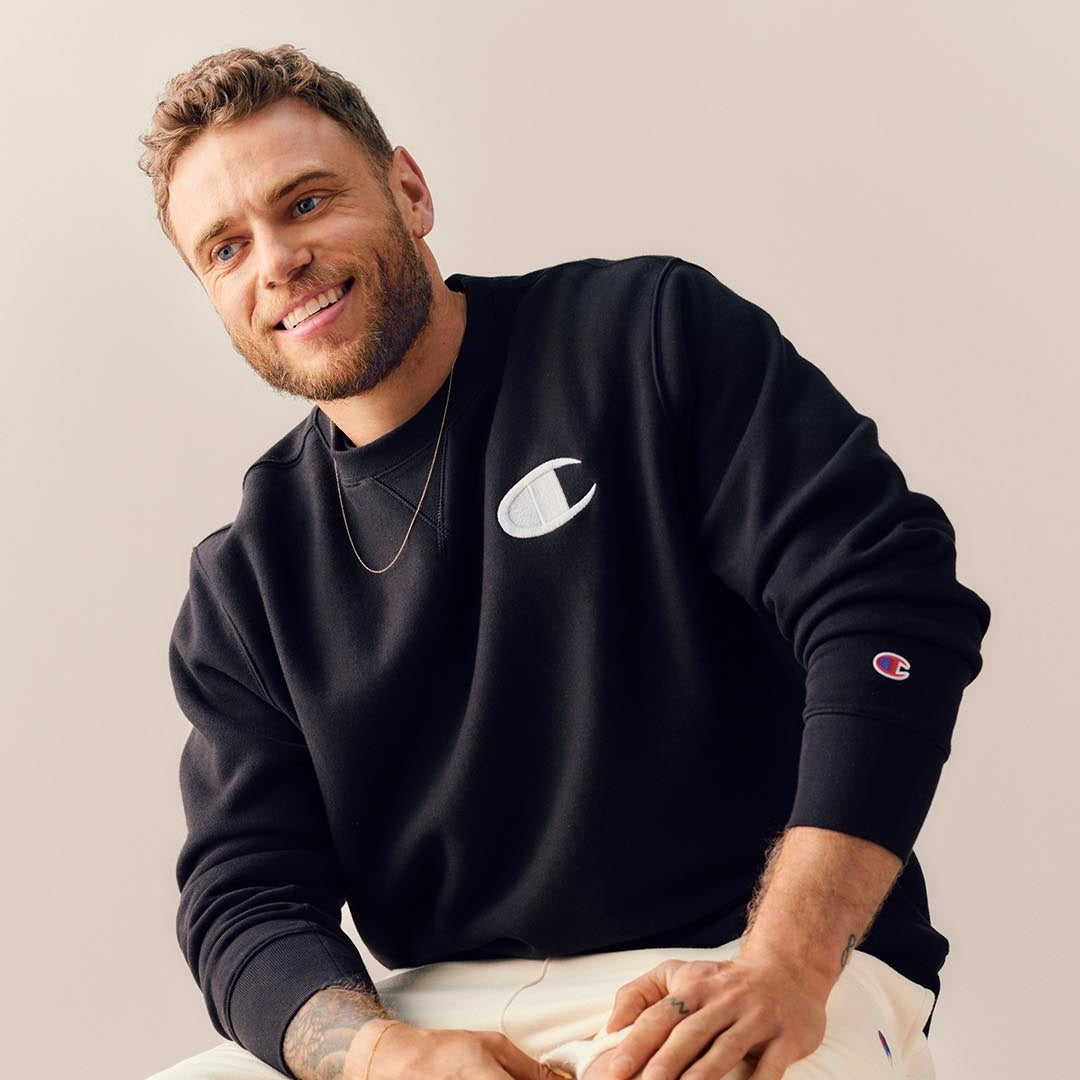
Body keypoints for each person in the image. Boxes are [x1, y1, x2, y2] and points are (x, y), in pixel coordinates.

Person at [140, 44, 991, 1080]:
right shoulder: (246, 580)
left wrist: (790, 961)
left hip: (739, 963)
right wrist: (380, 1056)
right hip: (438, 1010)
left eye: (307, 202)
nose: (277, 261)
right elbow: (245, 893)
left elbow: (887, 604)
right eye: (226, 249)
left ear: (409, 191)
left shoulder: (643, 338)